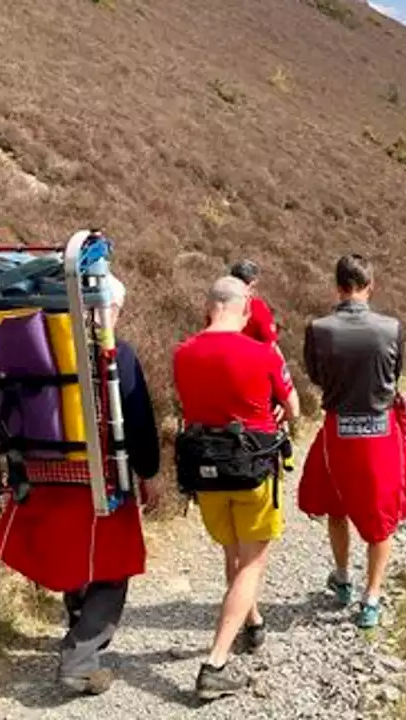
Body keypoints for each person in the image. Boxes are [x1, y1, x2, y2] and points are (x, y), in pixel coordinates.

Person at [0, 274, 161, 696]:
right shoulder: (115, 353)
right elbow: (137, 421)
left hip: (38, 473)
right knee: (113, 567)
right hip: (98, 478)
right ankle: (80, 660)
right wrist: (148, 472)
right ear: (109, 308)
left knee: (70, 552)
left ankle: (78, 621)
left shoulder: (35, 356)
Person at [299, 254, 406, 629]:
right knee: (382, 512)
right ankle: (372, 596)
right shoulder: (391, 327)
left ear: (337, 287)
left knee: (337, 503)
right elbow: (395, 373)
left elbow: (316, 375)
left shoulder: (318, 328)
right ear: (371, 286)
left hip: (339, 428)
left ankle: (342, 577)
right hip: (381, 430)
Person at [173, 276, 300, 701]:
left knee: (233, 553)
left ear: (210, 306)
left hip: (205, 473)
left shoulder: (182, 354)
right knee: (253, 562)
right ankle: (215, 663)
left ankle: (252, 623)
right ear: (245, 306)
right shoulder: (260, 352)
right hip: (251, 469)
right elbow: (294, 409)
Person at [230, 259, 279, 348]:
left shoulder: (218, 306)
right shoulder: (257, 307)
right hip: (250, 359)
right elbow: (271, 344)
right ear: (252, 284)